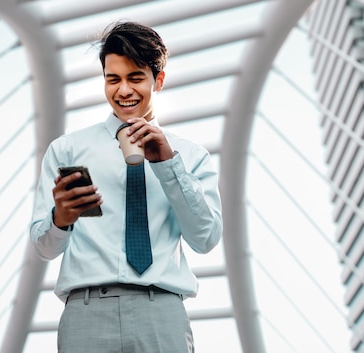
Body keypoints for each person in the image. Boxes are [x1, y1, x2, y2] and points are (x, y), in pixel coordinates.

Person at [30, 21, 223, 353]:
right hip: (86, 314)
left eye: (135, 78)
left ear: (158, 80)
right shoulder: (68, 151)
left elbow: (205, 239)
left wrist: (167, 163)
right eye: (112, 79)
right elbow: (45, 247)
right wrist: (61, 217)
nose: (123, 91)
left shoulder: (190, 156)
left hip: (161, 311)